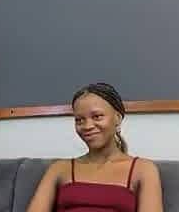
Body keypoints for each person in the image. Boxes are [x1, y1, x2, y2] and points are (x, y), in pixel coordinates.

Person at [26, 83, 164, 212]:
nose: (87, 126)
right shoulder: (59, 168)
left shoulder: (143, 169)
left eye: (97, 116)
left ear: (117, 118)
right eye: (79, 120)